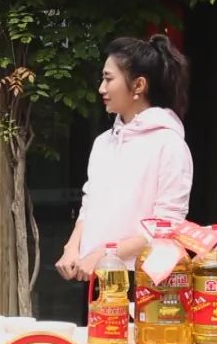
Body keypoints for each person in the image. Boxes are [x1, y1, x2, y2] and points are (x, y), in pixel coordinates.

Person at [55, 34, 193, 282]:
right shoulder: (103, 143)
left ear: (138, 85)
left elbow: (167, 225)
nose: (102, 88)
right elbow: (90, 204)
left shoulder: (169, 144)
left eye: (109, 79)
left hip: (141, 280)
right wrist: (72, 247)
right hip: (94, 275)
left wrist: (105, 253)